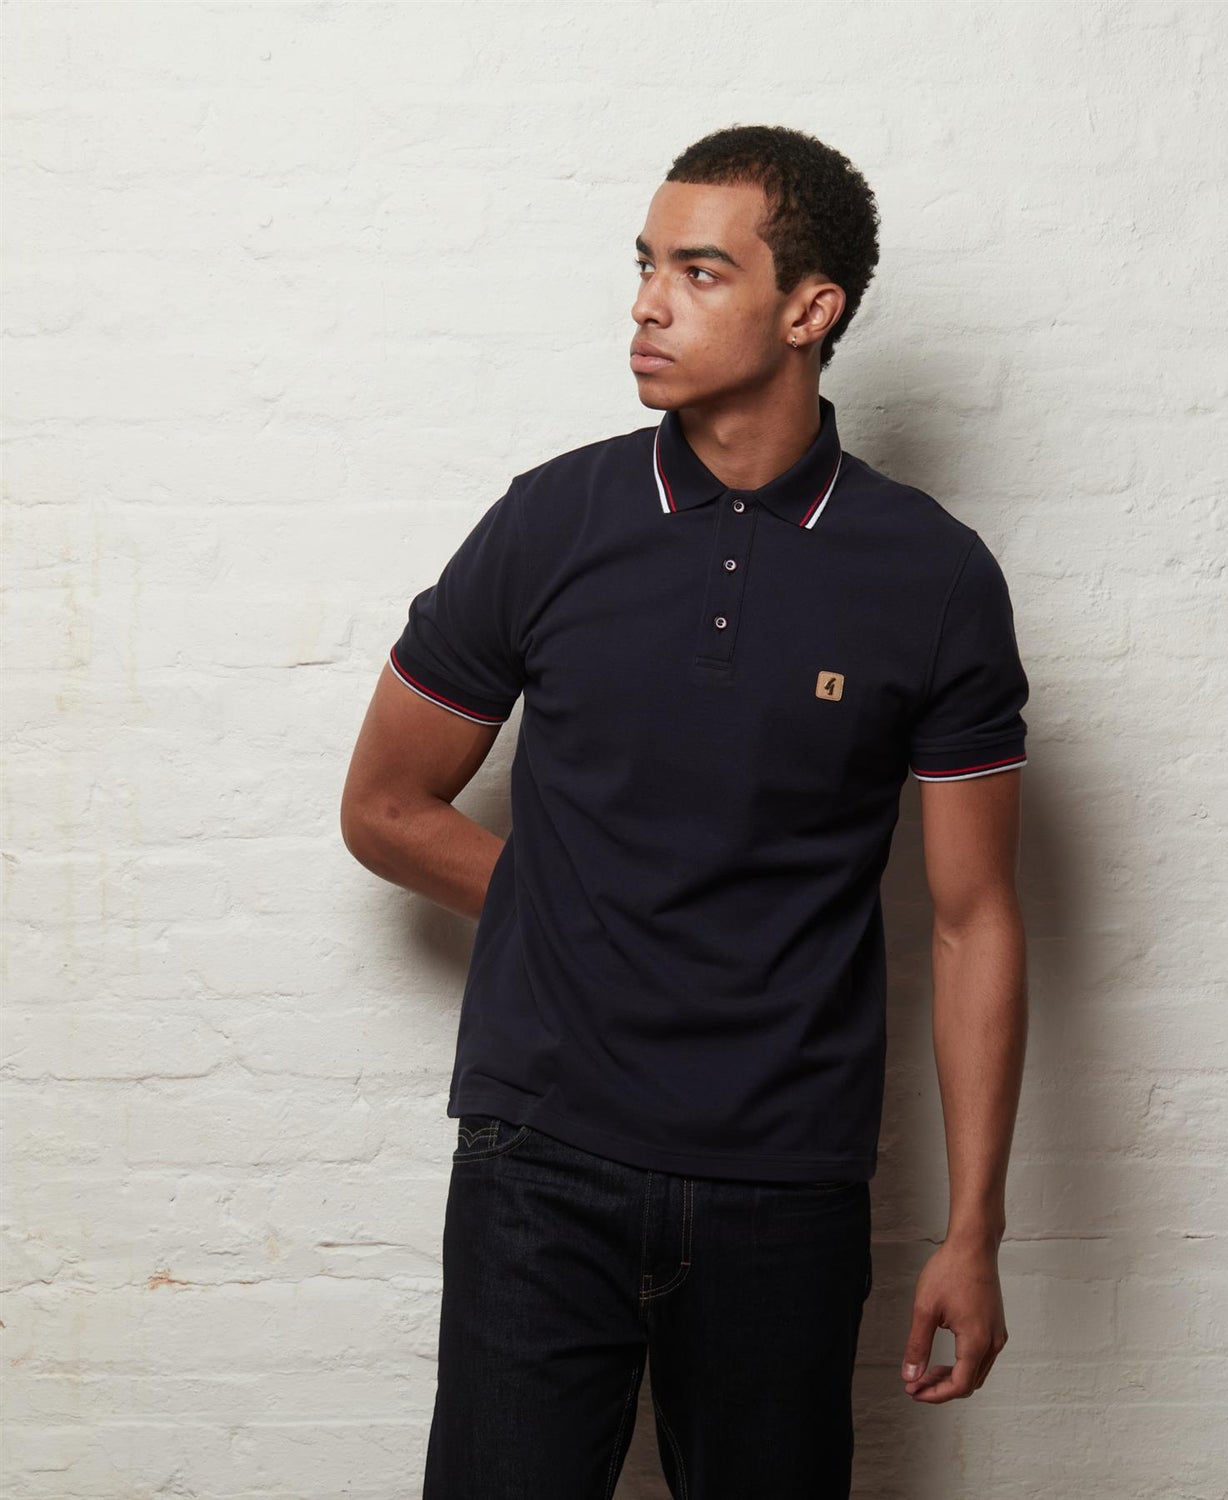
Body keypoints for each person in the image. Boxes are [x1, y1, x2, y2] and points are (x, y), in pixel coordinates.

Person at [341, 123, 1030, 1500]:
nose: (650, 303)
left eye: (701, 272)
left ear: (810, 310)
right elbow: (385, 805)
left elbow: (973, 921)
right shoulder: (551, 522)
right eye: (647, 264)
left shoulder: (934, 577)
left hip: (787, 1180)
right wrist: (566, 909)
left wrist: (974, 1232)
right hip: (540, 1154)